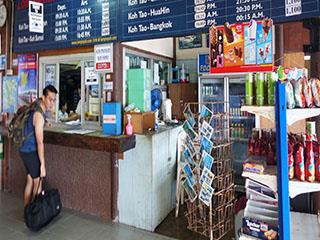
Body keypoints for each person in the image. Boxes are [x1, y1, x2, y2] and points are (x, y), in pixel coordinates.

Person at [19, 85, 57, 206]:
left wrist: (45, 122)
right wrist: (43, 165)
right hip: (31, 151)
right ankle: (35, 214)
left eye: (54, 100)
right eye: (50, 99)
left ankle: (27, 212)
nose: (52, 103)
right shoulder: (39, 115)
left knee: (30, 180)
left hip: (23, 149)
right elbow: (40, 142)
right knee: (37, 183)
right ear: (43, 97)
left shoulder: (37, 106)